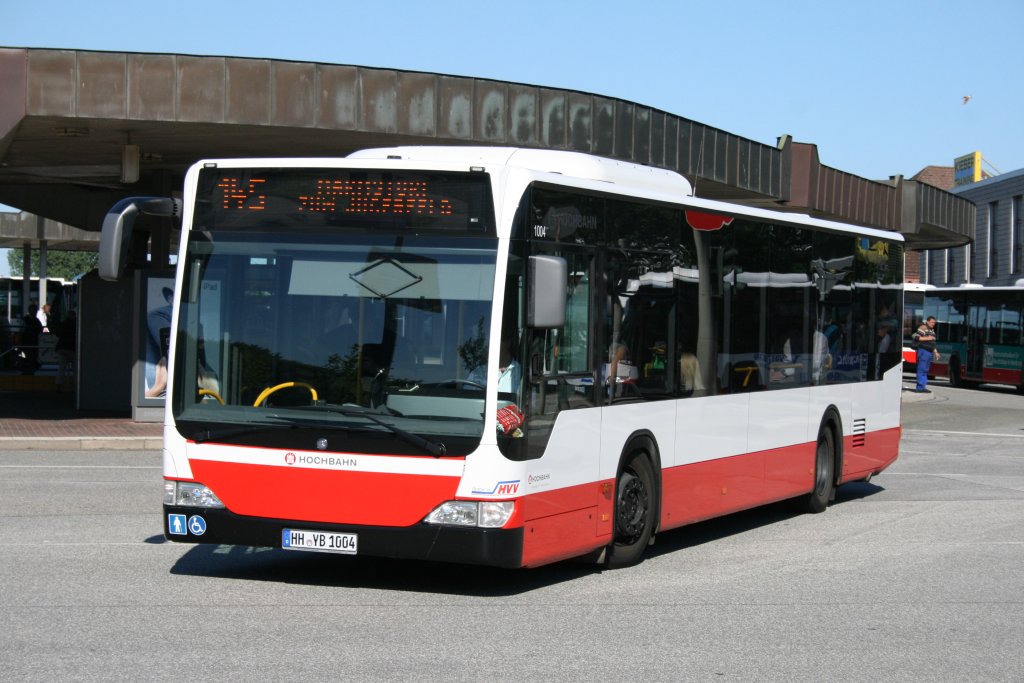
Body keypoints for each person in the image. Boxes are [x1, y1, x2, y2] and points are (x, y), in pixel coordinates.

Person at [912, 316, 940, 393]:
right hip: (923, 350)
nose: (933, 324)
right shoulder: (923, 327)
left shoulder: (932, 331)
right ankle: (920, 387)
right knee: (921, 369)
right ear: (927, 321)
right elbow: (917, 337)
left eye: (934, 323)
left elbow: (932, 343)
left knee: (925, 370)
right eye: (932, 322)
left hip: (929, 351)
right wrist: (928, 338)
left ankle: (923, 386)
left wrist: (935, 352)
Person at [55, 310, 77, 390]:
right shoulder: (76, 324)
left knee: (61, 367)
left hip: (61, 348)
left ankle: (59, 385)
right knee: (76, 367)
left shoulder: (63, 323)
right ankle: (76, 385)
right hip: (72, 348)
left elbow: (57, 333)